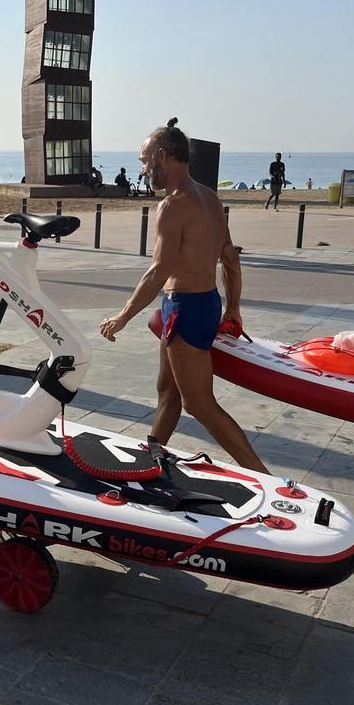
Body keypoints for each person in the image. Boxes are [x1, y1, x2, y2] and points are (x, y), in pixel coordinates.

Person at [99, 118, 268, 474]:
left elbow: (159, 270)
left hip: (185, 310)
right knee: (168, 390)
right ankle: (150, 458)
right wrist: (233, 306)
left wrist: (123, 316)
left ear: (162, 156)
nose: (143, 169)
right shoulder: (209, 198)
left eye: (146, 160)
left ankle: (267, 478)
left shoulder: (173, 205)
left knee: (200, 404)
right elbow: (230, 258)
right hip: (205, 303)